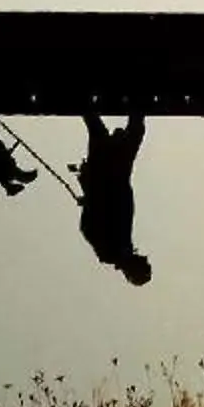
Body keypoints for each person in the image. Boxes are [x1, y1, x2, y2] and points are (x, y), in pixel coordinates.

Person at [74, 112, 153, 286]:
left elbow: (87, 227)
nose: (145, 260)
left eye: (143, 265)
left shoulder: (109, 252)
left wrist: (91, 202)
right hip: (114, 178)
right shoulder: (121, 248)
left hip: (106, 178)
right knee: (107, 130)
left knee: (104, 131)